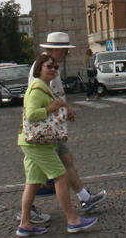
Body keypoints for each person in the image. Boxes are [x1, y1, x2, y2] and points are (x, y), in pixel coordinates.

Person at [16, 53, 98, 236]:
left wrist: (64, 107)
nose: (53, 70)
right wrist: (50, 108)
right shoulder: (37, 88)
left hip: (33, 142)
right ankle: (73, 220)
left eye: (55, 67)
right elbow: (31, 114)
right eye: (48, 67)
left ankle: (25, 224)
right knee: (60, 176)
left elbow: (55, 103)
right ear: (39, 69)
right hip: (37, 143)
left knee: (33, 182)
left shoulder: (45, 87)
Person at [28, 32, 107, 214]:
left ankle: (84, 198)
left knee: (66, 159)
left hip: (53, 125)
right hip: (45, 126)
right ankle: (29, 211)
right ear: (56, 50)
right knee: (38, 170)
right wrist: (64, 108)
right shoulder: (43, 66)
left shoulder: (51, 65)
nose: (67, 54)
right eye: (65, 50)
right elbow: (45, 95)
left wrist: (65, 108)